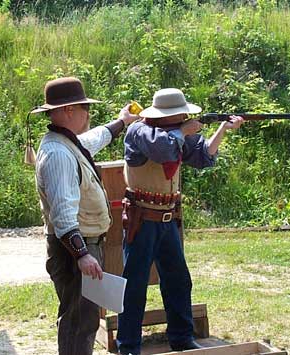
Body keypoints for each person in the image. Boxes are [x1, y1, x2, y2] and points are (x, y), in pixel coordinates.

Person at [116, 88, 244, 355]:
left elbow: (203, 156)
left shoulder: (176, 134)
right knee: (135, 284)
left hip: (167, 218)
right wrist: (183, 131)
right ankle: (128, 345)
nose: (184, 118)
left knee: (178, 280)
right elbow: (163, 149)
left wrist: (222, 129)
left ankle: (182, 338)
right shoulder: (140, 132)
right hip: (142, 219)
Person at [31, 77, 139, 355]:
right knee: (79, 322)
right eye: (83, 107)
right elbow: (64, 215)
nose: (87, 113)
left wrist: (121, 122)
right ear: (68, 111)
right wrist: (82, 254)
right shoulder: (58, 154)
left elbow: (94, 139)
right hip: (74, 248)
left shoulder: (66, 144)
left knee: (85, 318)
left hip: (81, 245)